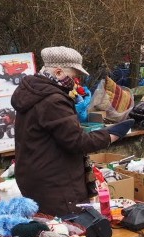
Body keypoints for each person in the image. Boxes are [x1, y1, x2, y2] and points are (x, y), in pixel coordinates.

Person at [12, 46, 133, 216]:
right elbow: (77, 142)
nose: (75, 81)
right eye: (74, 76)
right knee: (71, 229)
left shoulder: (33, 92)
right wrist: (113, 134)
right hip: (55, 182)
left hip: (34, 175)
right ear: (59, 72)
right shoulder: (52, 100)